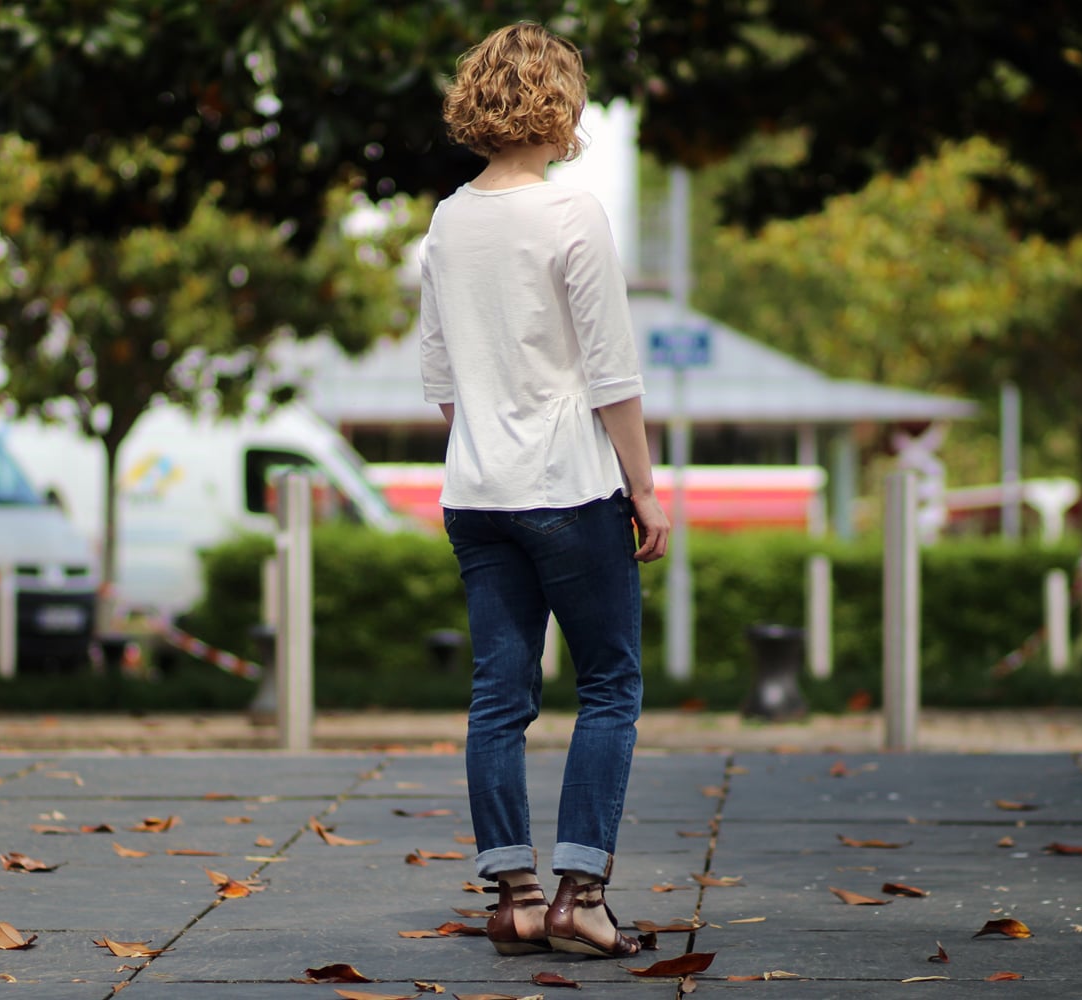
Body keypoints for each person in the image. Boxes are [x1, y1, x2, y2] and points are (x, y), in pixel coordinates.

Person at [419, 22, 670, 960]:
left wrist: (488, 446)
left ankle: (517, 896)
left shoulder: (448, 220)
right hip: (568, 488)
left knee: (499, 696)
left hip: (476, 493)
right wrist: (644, 489)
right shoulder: (573, 215)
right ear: (560, 108)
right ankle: (583, 899)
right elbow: (611, 372)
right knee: (608, 685)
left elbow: (441, 380)